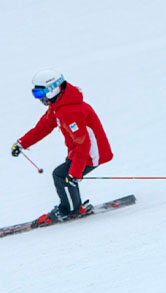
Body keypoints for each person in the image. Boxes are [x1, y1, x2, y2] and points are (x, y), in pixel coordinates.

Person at [11, 69, 113, 226]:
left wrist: (76, 172)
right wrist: (22, 143)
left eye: (39, 93)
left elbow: (83, 143)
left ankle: (69, 210)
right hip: (78, 151)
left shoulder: (70, 111)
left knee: (61, 175)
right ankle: (76, 207)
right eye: (35, 94)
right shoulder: (58, 105)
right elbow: (43, 127)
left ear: (53, 89)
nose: (39, 99)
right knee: (66, 176)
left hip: (92, 154)